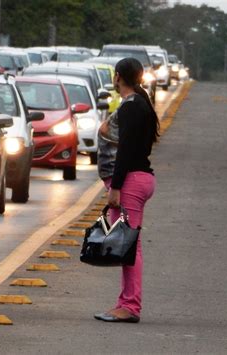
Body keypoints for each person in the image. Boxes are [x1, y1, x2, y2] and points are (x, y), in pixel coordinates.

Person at [94, 57, 159, 323]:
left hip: (130, 181)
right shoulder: (138, 103)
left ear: (118, 76)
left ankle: (130, 306)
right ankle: (125, 303)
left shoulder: (133, 106)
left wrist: (116, 187)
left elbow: (127, 150)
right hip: (136, 178)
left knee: (129, 246)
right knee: (127, 245)